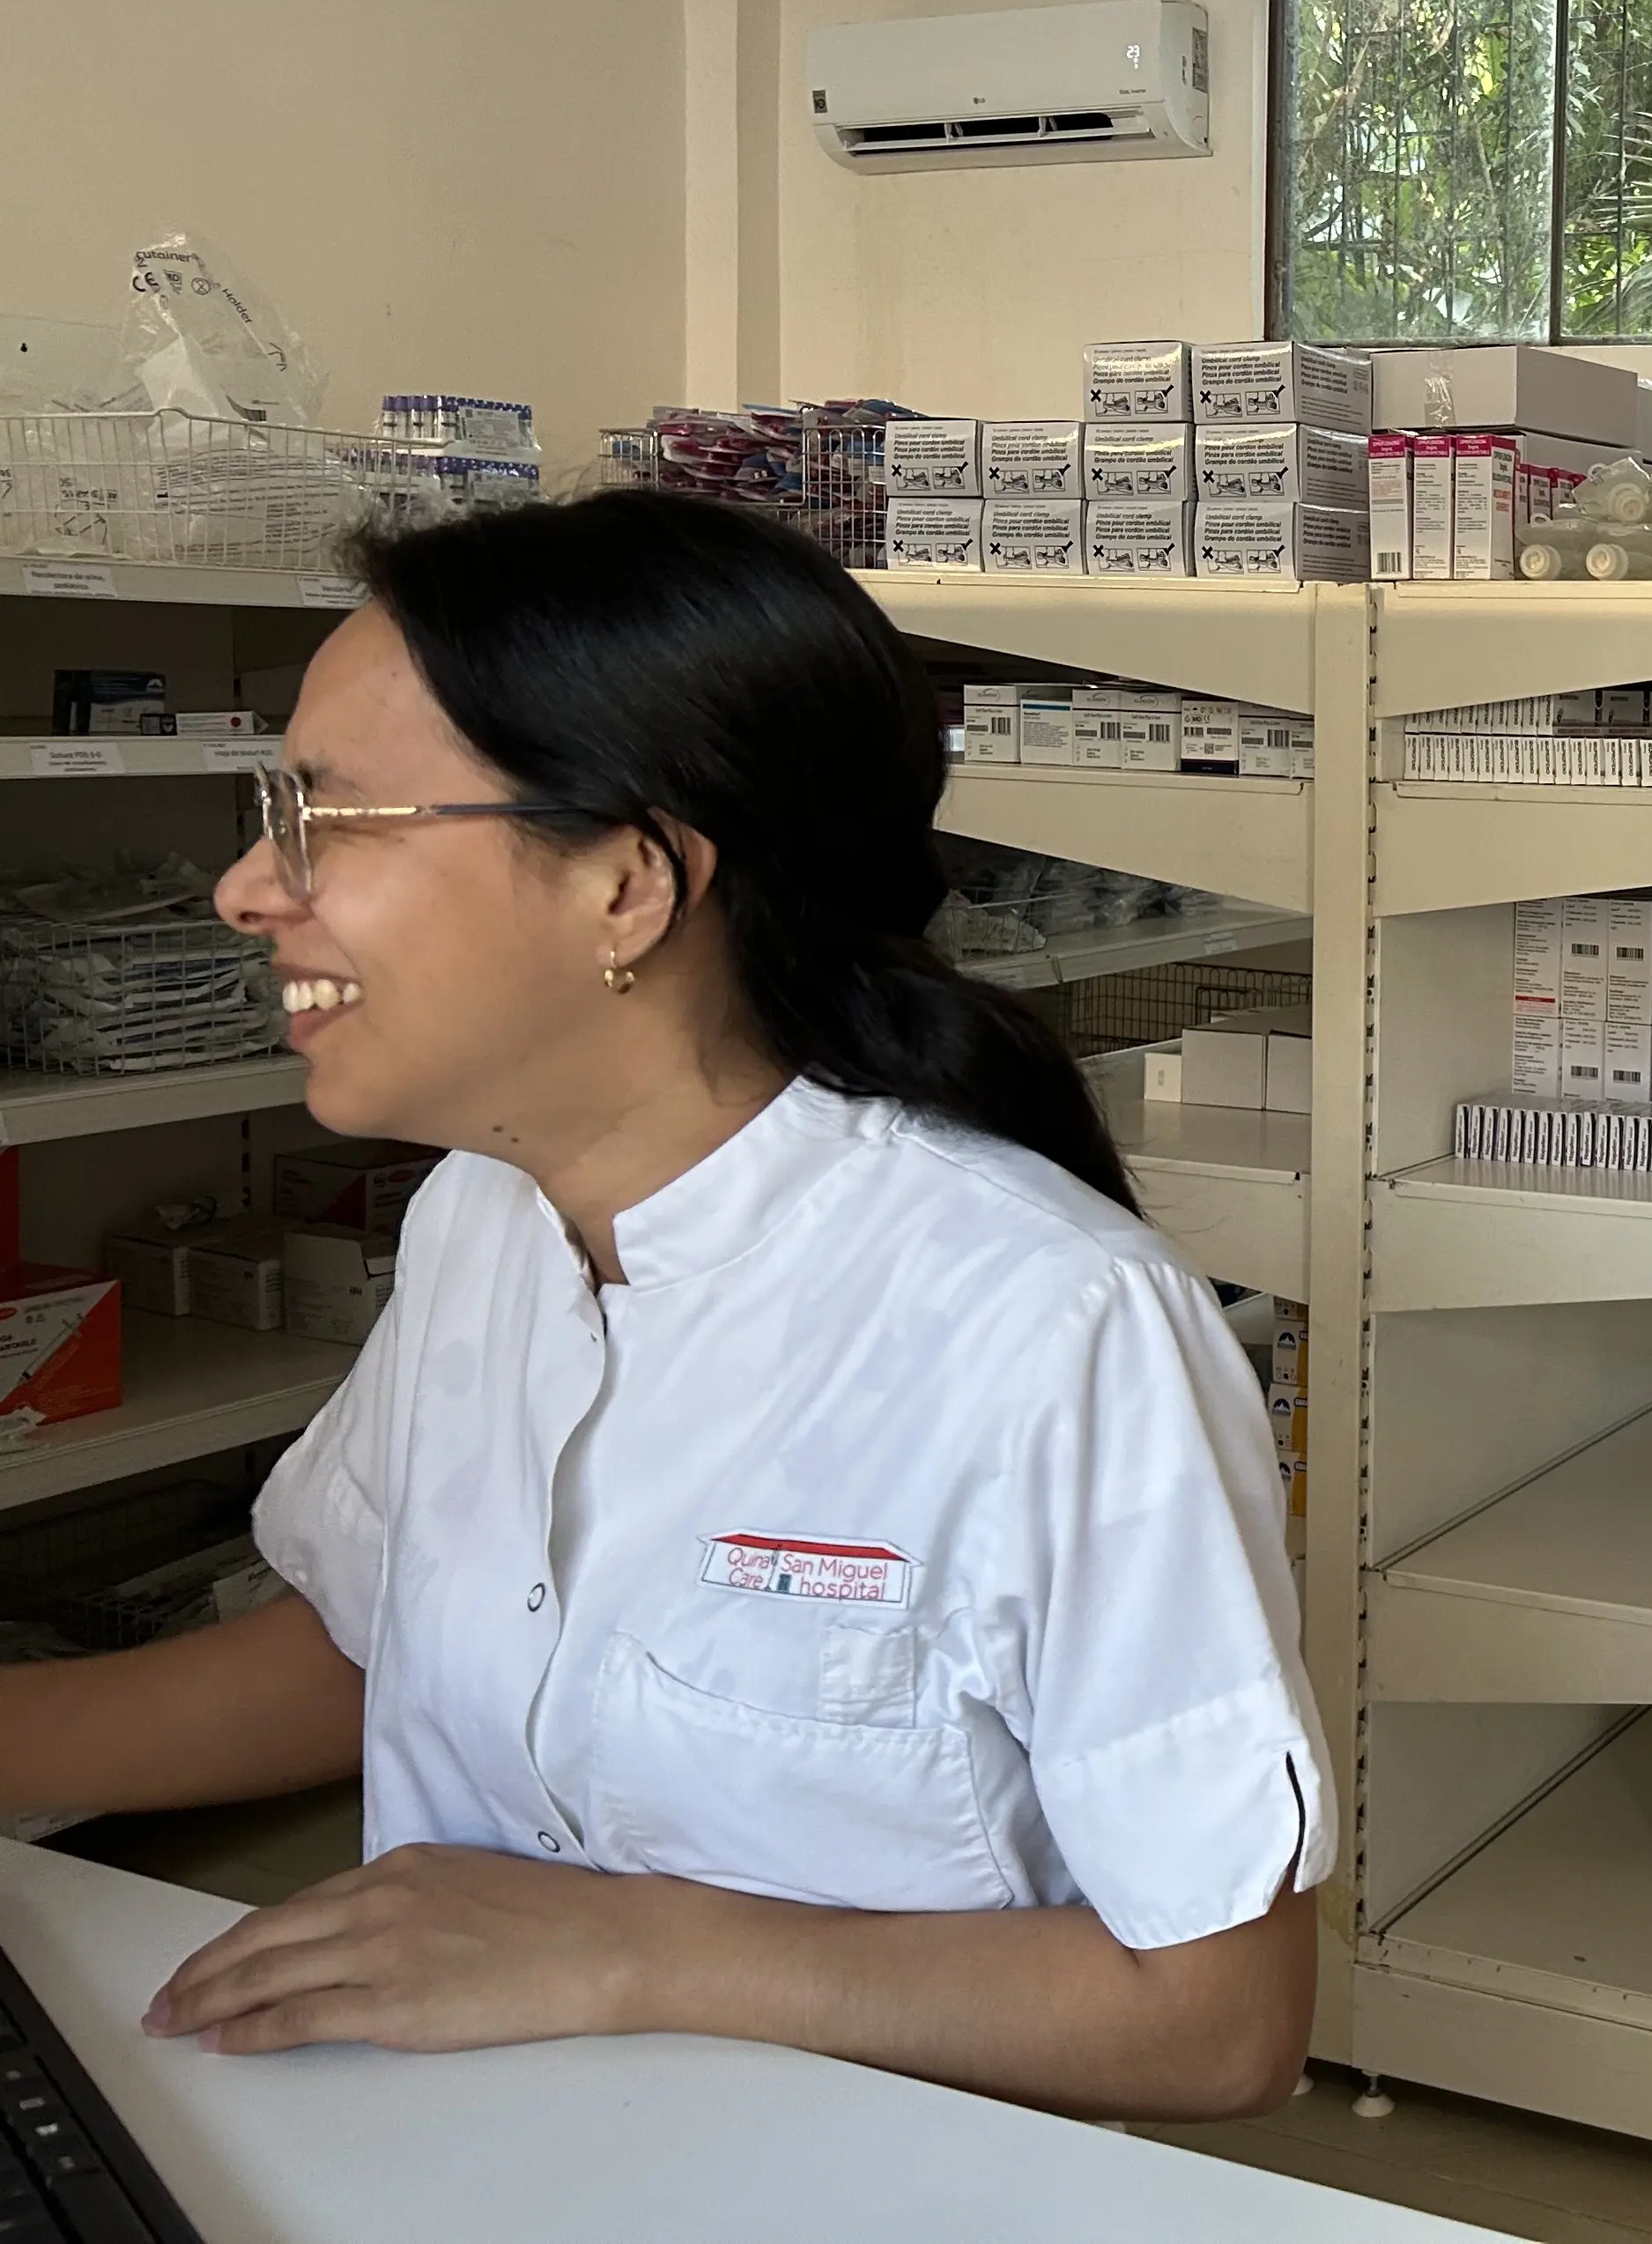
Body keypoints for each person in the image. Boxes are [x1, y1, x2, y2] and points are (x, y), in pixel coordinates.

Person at [0, 491, 1329, 2122]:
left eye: (324, 818)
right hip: (469, 2151)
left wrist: (635, 1950)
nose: (243, 888)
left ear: (627, 886)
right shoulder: (485, 1214)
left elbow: (1219, 2017)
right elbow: (368, 1646)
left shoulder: (1055, 1328)